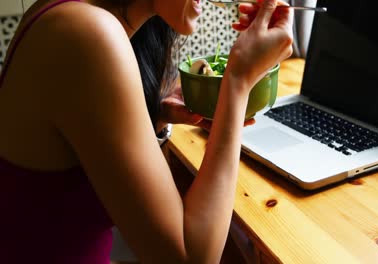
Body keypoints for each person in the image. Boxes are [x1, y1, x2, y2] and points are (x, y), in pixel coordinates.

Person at [0, 0, 293, 262]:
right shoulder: (87, 33)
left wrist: (154, 117)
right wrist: (239, 80)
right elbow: (191, 257)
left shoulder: (67, 13)